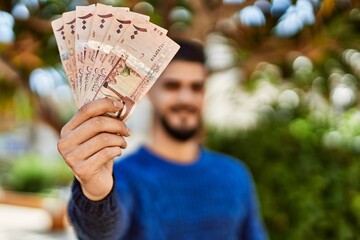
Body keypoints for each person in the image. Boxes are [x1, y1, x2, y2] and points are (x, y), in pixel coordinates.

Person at [57, 39, 268, 240]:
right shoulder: (124, 176)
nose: (186, 98)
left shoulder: (235, 174)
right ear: (148, 92)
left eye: (196, 87)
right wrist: (96, 195)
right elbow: (101, 234)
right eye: (172, 86)